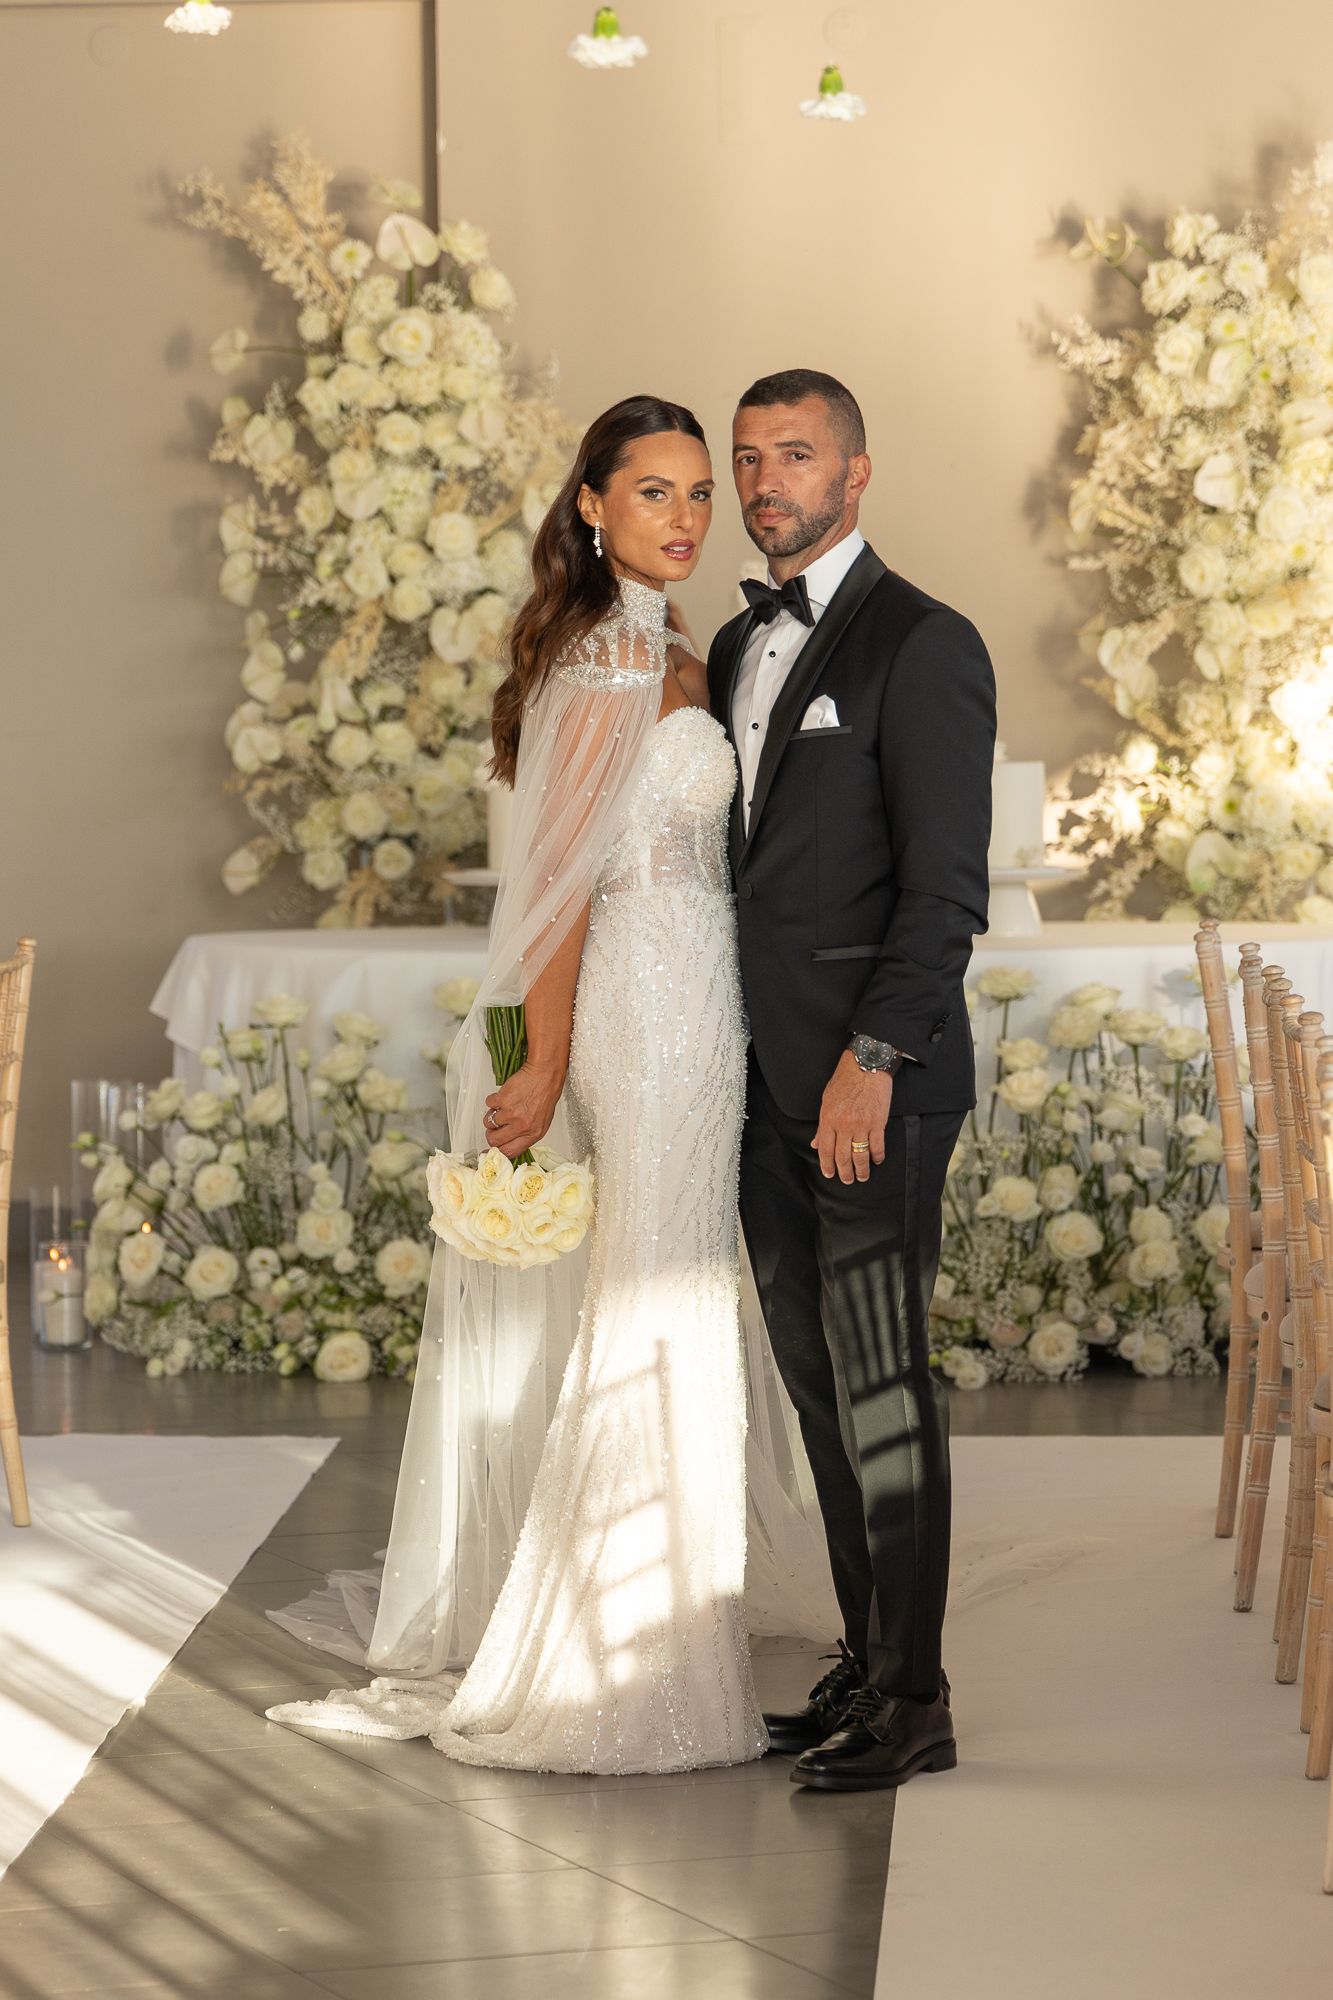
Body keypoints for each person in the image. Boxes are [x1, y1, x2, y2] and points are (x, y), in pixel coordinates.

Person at [265, 395, 837, 1773]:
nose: (688, 518)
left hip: (705, 1000)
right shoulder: (599, 662)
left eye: (700, 494)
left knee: (680, 1292)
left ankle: (660, 1617)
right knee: (653, 1295)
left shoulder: (675, 650)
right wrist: (543, 1061)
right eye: (655, 493)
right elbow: (561, 894)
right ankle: (605, 1648)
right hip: (638, 1010)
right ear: (589, 503)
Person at [707, 368, 995, 1792]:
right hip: (762, 1081)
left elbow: (943, 892)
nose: (766, 481)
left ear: (856, 472)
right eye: (748, 457)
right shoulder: (731, 646)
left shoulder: (921, 643)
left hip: (870, 1085)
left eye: (796, 455)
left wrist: (873, 1058)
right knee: (818, 1380)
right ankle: (867, 1658)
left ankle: (917, 1699)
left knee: (882, 1380)